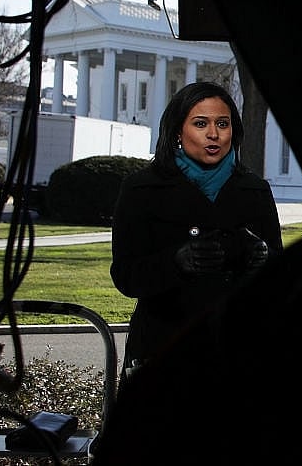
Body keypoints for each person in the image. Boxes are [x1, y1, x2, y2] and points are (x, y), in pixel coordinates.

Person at [108, 80, 282, 385]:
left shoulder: (254, 189)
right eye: (200, 124)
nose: (213, 134)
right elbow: (125, 275)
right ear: (178, 130)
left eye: (222, 124)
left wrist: (264, 260)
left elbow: (282, 274)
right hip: (163, 350)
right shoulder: (141, 189)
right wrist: (177, 262)